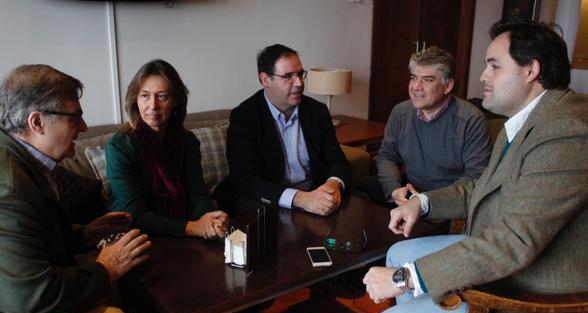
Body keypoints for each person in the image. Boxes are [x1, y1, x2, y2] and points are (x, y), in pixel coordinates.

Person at [362, 20, 588, 313]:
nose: (482, 76)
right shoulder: (526, 120)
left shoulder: (564, 131)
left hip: (527, 286)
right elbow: (483, 188)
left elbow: (515, 240)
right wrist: (421, 203)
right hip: (504, 259)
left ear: (530, 70)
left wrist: (407, 278)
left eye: (493, 66)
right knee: (399, 251)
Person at [0, 64, 153, 313]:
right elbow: (30, 297)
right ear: (37, 122)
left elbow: (26, 238)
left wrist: (81, 234)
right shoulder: (4, 193)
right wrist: (106, 268)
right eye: (75, 117)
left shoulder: (17, 161)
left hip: (7, 303)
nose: (84, 127)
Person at [353, 47, 491, 208]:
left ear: (448, 86)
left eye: (427, 80)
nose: (416, 87)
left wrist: (426, 202)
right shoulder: (400, 112)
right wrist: (394, 190)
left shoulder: (471, 120)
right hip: (408, 191)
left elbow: (474, 177)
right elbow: (387, 156)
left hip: (444, 200)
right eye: (413, 78)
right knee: (360, 188)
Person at [223, 44, 351, 216]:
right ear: (265, 80)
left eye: (300, 74)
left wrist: (333, 184)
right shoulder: (244, 117)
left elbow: (337, 160)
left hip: (316, 195)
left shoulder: (317, 111)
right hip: (271, 201)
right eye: (288, 76)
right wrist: (301, 199)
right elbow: (246, 180)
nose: (299, 83)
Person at [106, 59, 228, 239]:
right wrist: (193, 227)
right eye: (145, 96)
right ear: (135, 100)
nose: (153, 106)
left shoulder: (187, 141)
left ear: (176, 101)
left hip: (181, 230)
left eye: (162, 96)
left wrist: (208, 220)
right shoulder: (120, 147)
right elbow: (135, 215)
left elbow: (197, 194)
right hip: (132, 236)